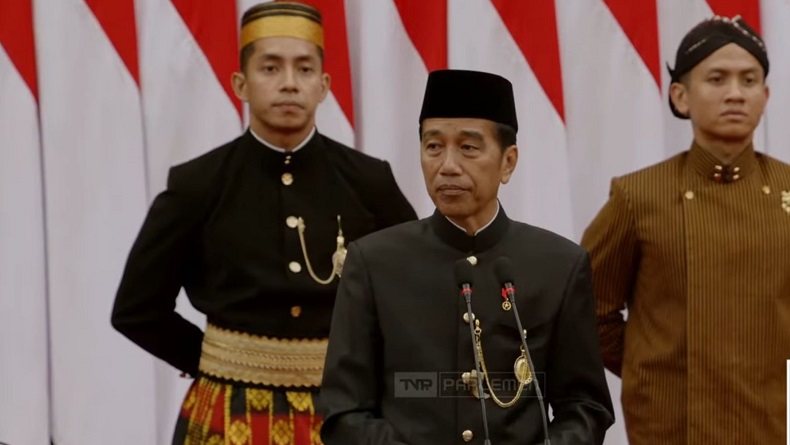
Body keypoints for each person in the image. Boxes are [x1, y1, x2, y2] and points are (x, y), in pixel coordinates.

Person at [111, 2, 417, 443]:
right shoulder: (198, 185)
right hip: (227, 408)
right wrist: (219, 361)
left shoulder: (369, 182)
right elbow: (136, 310)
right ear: (241, 83)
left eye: (305, 69)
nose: (289, 84)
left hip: (344, 412)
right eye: (270, 68)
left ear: (324, 85)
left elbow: (418, 292)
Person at [319, 69, 614, 445]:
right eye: (433, 147)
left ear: (508, 162)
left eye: (469, 148)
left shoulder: (558, 264)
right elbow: (344, 411)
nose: (448, 166)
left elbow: (585, 406)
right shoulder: (373, 263)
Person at [581, 15, 790, 445]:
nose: (735, 93)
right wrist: (654, 368)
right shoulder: (638, 197)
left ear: (766, 96)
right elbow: (587, 309)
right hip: (669, 427)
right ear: (681, 96)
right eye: (717, 78)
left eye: (749, 80)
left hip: (770, 423)